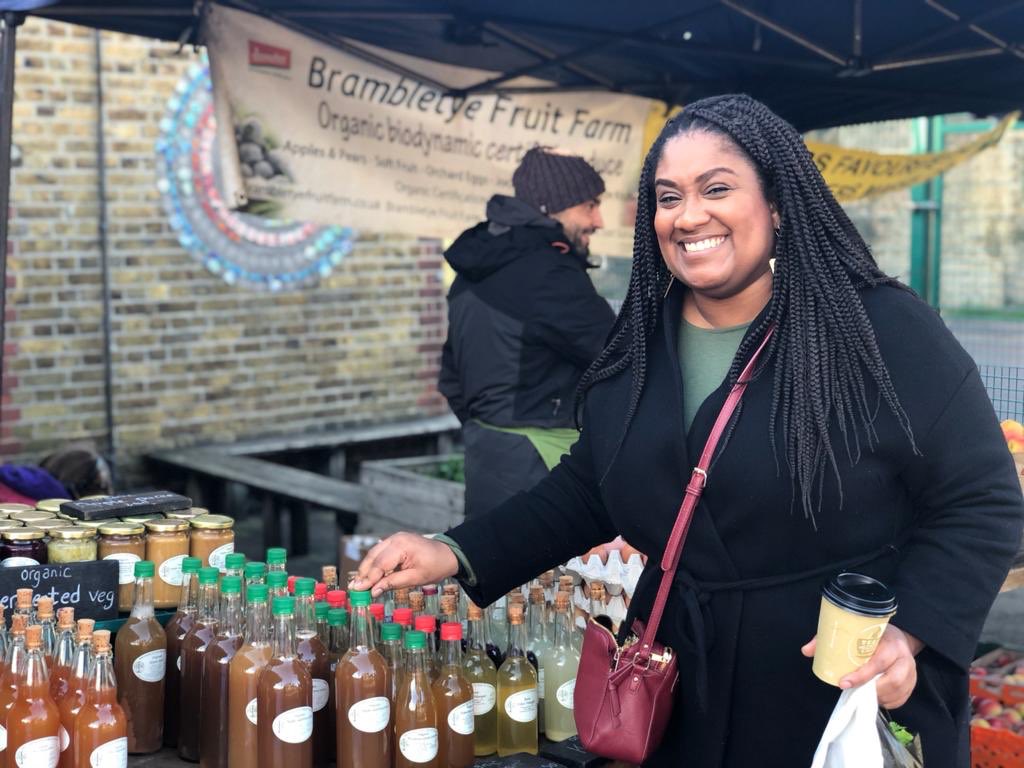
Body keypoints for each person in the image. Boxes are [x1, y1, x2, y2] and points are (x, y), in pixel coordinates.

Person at [353, 95, 1024, 766]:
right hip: (680, 689)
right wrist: (454, 551)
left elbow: (982, 501)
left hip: (835, 689)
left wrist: (909, 635)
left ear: (777, 202)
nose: (689, 214)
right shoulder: (642, 341)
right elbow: (589, 487)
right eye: (668, 197)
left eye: (717, 188)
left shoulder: (879, 330)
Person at [438, 146, 615, 517]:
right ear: (552, 207)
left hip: (486, 457)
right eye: (589, 205)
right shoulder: (547, 273)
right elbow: (619, 355)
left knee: (491, 550)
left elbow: (451, 377)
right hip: (541, 466)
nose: (598, 220)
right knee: (552, 557)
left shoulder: (479, 264)